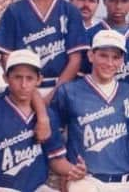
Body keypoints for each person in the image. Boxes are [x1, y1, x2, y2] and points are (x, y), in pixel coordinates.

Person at [0, 49, 86, 192]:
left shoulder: (46, 115)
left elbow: (55, 160)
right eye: (17, 77)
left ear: (39, 79)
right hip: (0, 188)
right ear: (6, 78)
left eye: (29, 78)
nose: (24, 84)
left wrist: (74, 170)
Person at [0, 0, 88, 98]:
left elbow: (75, 59)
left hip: (61, 87)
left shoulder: (70, 11)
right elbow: (7, 56)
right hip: (24, 90)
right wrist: (27, 91)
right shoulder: (14, 10)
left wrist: (54, 94)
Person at [51, 30, 129, 192]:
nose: (109, 63)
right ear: (91, 55)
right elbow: (52, 134)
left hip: (123, 180)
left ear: (122, 60)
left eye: (115, 57)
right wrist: (64, 167)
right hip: (85, 180)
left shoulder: (126, 92)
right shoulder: (69, 91)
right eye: (103, 55)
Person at [81, 0, 129, 81]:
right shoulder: (89, 35)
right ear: (104, 1)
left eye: (124, 0)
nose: (118, 6)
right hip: (100, 95)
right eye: (113, 0)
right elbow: (82, 75)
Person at [69, 0, 101, 75]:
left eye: (91, 0)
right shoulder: (59, 28)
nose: (86, 4)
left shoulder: (103, 31)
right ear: (71, 0)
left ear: (97, 4)